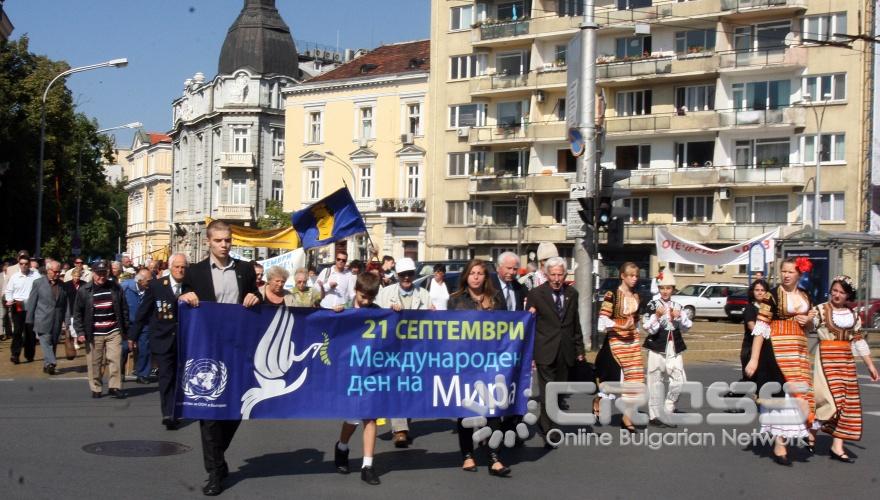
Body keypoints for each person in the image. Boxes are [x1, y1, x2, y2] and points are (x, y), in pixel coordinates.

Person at [178, 219, 262, 496]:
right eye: (219, 241)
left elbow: (257, 299)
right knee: (209, 413)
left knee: (237, 408)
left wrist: (254, 298)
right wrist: (185, 296)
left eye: (227, 240)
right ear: (209, 242)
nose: (224, 245)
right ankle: (215, 472)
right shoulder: (196, 272)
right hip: (208, 350)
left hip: (238, 349)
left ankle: (217, 455)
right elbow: (182, 300)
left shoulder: (245, 269)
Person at [744, 257, 816, 466]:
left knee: (799, 396)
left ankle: (787, 439)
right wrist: (754, 359)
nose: (785, 275)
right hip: (777, 350)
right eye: (783, 271)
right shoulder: (772, 296)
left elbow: (810, 327)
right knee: (783, 397)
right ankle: (780, 443)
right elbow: (761, 328)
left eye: (790, 272)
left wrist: (808, 320)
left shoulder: (805, 296)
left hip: (799, 351)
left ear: (799, 274)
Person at [448, 259, 511, 476]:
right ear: (466, 276)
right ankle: (467, 455)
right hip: (465, 363)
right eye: (472, 273)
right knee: (466, 410)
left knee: (493, 410)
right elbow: (448, 333)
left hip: (491, 362)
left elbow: (508, 328)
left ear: (486, 277)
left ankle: (494, 457)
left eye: (480, 273)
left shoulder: (495, 299)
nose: (476, 277)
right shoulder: (455, 301)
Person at [811, 276, 880, 463]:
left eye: (841, 292)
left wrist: (870, 365)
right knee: (829, 399)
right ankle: (812, 429)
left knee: (845, 404)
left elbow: (858, 341)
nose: (837, 294)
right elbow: (807, 326)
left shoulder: (853, 315)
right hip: (825, 358)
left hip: (846, 361)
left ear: (848, 295)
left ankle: (837, 446)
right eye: (834, 290)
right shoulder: (820, 310)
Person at [526, 256, 585, 447]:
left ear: (565, 275)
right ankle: (548, 429)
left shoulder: (572, 294)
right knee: (547, 391)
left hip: (565, 350)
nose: (557, 279)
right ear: (546, 274)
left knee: (559, 392)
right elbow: (528, 325)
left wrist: (579, 349)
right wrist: (531, 353)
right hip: (544, 350)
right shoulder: (536, 294)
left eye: (560, 274)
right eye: (553, 275)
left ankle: (551, 420)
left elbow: (575, 323)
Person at [334, 272, 383, 485]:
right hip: (349, 371)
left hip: (371, 370)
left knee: (370, 417)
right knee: (353, 418)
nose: (366, 302)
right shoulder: (343, 306)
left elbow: (393, 329)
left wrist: (397, 312)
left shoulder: (378, 312)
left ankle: (368, 466)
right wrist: (334, 314)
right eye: (363, 297)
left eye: (370, 299)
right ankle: (342, 447)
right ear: (356, 290)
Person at [376, 257, 431, 447]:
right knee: (398, 386)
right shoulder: (385, 293)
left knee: (411, 387)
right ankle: (400, 430)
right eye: (403, 275)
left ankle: (404, 423)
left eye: (410, 274)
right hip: (392, 349)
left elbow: (432, 321)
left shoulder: (424, 294)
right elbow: (373, 315)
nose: (407, 278)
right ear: (397, 276)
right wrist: (389, 311)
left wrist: (432, 313)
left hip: (415, 349)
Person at [131, 253, 188, 431]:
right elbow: (143, 312)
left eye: (183, 267)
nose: (180, 270)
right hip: (163, 339)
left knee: (181, 377)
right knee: (165, 376)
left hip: (185, 339)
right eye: (177, 267)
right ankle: (168, 413)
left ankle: (178, 408)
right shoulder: (157, 286)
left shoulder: (191, 287)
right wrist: (133, 336)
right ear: (170, 268)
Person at [595, 262, 643, 433]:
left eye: (636, 276)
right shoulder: (612, 295)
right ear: (622, 276)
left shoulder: (637, 296)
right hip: (615, 341)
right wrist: (620, 326)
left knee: (635, 381)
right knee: (612, 381)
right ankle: (599, 402)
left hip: (632, 342)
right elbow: (602, 320)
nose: (634, 279)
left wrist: (636, 331)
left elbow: (636, 320)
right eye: (631, 275)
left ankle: (627, 419)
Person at [73, 260, 130, 399]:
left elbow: (124, 309)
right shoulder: (84, 290)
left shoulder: (115, 288)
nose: (101, 277)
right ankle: (96, 387)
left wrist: (126, 328)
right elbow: (78, 313)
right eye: (99, 273)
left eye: (104, 273)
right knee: (95, 362)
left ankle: (114, 386)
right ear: (93, 273)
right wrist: (80, 332)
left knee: (115, 359)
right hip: (93, 332)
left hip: (113, 330)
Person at [642, 271, 691, 427]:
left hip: (673, 347)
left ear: (673, 289)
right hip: (657, 347)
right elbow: (649, 329)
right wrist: (656, 316)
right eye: (662, 288)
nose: (665, 291)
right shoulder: (652, 305)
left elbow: (686, 327)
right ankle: (654, 415)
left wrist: (680, 317)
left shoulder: (678, 306)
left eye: (668, 288)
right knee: (655, 381)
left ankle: (668, 409)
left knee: (680, 380)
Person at [25, 259, 68, 375]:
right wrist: (29, 319)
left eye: (59, 272)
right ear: (48, 270)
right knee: (46, 341)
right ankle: (52, 362)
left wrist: (67, 321)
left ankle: (47, 365)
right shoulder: (38, 283)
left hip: (57, 320)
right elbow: (32, 302)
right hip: (42, 319)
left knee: (53, 342)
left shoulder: (63, 286)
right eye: (55, 272)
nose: (57, 274)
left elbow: (66, 305)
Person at [5, 253, 39, 364]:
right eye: (21, 264)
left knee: (30, 332)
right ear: (19, 264)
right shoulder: (15, 277)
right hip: (18, 304)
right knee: (18, 331)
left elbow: (41, 287)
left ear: (29, 264)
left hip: (31, 306)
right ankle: (15, 354)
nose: (23, 266)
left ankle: (29, 355)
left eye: (26, 264)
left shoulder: (35, 275)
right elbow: (9, 291)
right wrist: (9, 300)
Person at [123, 269, 153, 384]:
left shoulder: (150, 289)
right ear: (140, 281)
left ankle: (142, 374)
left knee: (145, 349)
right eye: (148, 281)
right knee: (124, 348)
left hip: (144, 323)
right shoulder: (125, 287)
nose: (151, 282)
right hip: (128, 324)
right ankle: (119, 372)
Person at [740, 279, 769, 379]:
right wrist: (767, 334)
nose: (760, 292)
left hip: (766, 349)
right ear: (752, 291)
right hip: (750, 349)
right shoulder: (750, 308)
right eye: (757, 290)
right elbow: (751, 326)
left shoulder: (769, 309)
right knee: (750, 381)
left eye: (762, 290)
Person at [63, 267, 87, 349]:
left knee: (81, 324)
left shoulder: (84, 284)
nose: (76, 278)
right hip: (71, 308)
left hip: (82, 308)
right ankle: (75, 341)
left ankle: (79, 338)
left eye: (78, 276)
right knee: (73, 326)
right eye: (75, 276)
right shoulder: (66, 285)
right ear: (72, 275)